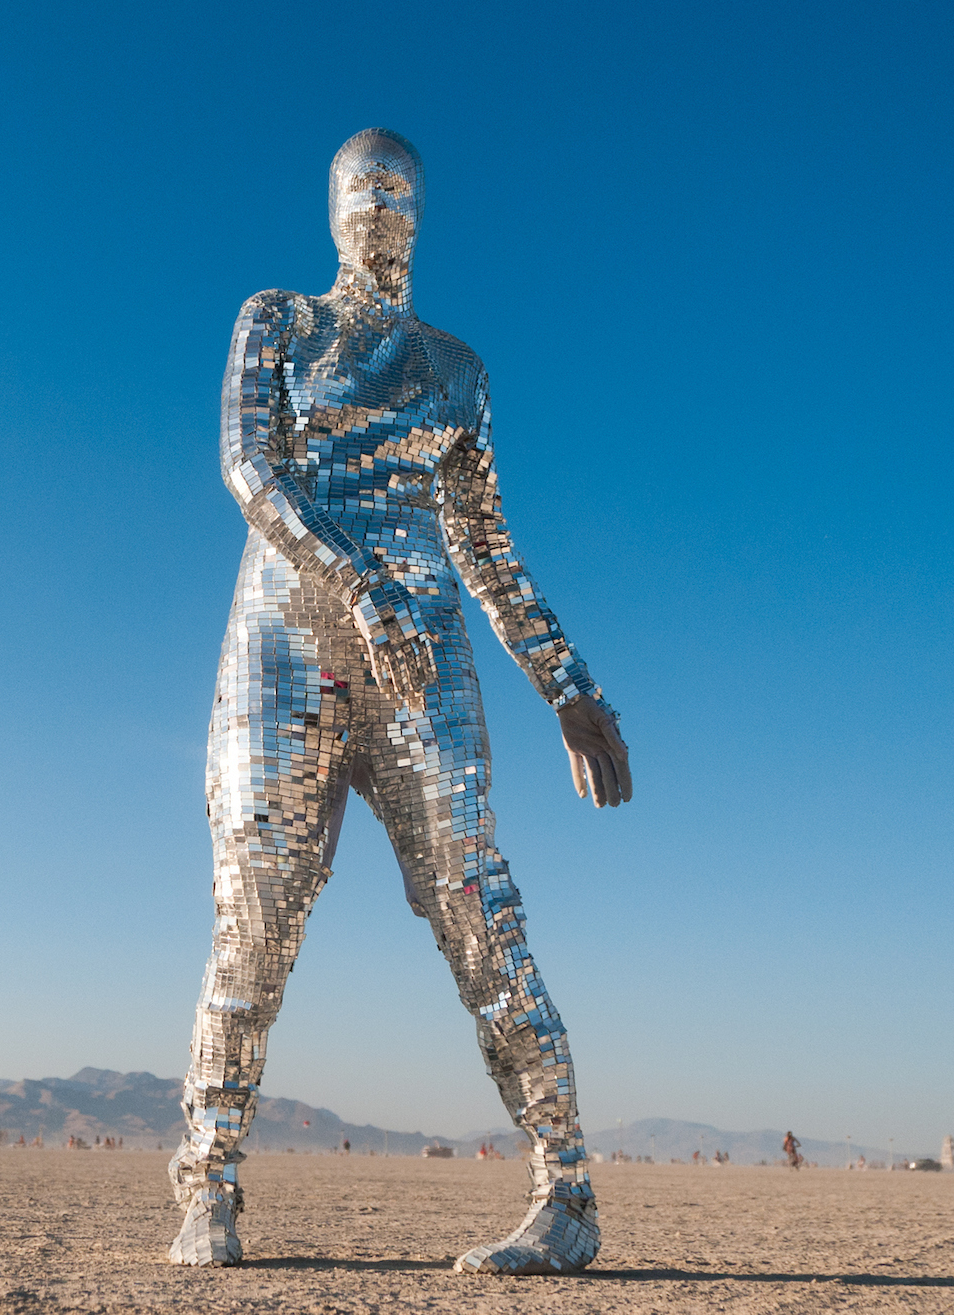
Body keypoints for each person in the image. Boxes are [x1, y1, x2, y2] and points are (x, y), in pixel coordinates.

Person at [169, 130, 633, 1277]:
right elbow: (247, 466)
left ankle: (565, 1197)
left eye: (398, 195)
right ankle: (208, 1187)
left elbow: (485, 550)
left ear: (421, 215)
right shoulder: (276, 320)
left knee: (481, 912)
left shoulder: (455, 370)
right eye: (359, 194)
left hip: (423, 667)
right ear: (330, 212)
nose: (378, 212)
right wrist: (355, 580)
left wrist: (570, 687)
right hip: (282, 662)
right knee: (253, 923)